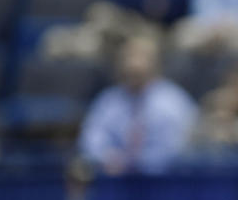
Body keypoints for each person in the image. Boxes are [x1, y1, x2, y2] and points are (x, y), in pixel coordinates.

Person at [79, 34, 198, 173]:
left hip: (164, 183)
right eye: (128, 58)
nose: (134, 64)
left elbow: (178, 146)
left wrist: (136, 164)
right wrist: (108, 157)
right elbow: (91, 139)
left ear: (155, 64)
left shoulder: (174, 102)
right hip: (116, 181)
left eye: (142, 58)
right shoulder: (109, 100)